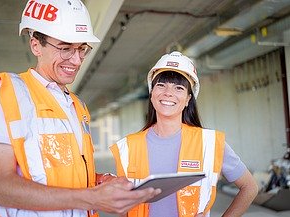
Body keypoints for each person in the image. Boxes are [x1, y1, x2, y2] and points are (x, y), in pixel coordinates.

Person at [0, 0, 159, 216]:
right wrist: (91, 198)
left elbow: (67, 170)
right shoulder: (9, 94)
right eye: (65, 48)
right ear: (36, 45)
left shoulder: (76, 105)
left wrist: (100, 181)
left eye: (82, 49)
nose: (76, 60)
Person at [110, 51, 258, 217]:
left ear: (188, 99)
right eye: (161, 85)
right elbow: (123, 204)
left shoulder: (209, 143)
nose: (168, 92)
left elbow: (249, 187)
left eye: (178, 87)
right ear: (152, 93)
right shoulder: (128, 147)